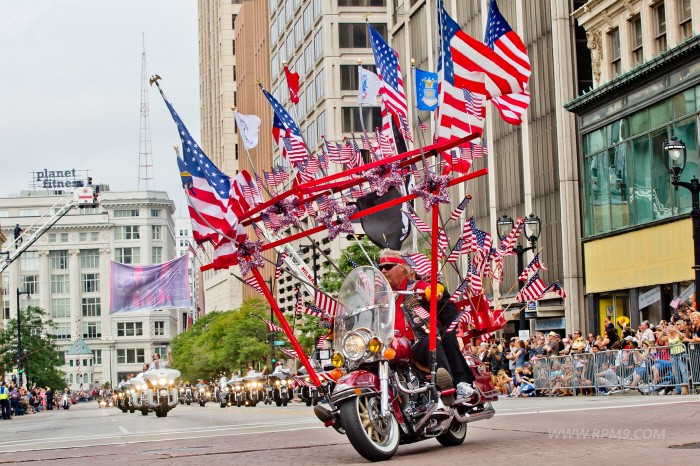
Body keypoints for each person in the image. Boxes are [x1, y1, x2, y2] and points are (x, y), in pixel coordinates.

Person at [378, 250, 475, 405]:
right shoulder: (380, 295)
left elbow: (430, 290)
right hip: (387, 348)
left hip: (415, 344)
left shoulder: (416, 286)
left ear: (402, 268)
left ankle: (447, 389)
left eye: (388, 266)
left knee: (433, 340)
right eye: (380, 267)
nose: (383, 271)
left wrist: (434, 291)